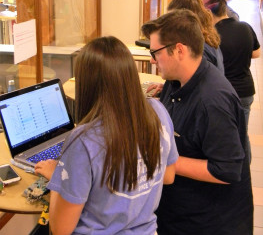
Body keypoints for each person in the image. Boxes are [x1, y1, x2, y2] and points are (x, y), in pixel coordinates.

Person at [35, 36, 178, 235]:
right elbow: (168, 176)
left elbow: (60, 229)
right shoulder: (158, 112)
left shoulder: (83, 140)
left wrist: (59, 178)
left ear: (86, 84)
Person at [141, 10, 253, 235]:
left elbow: (227, 170)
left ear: (179, 50)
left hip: (209, 222)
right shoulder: (178, 82)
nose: (152, 60)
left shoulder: (212, 101)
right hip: (182, 213)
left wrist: (164, 160)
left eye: (155, 52)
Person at [204, 0, 261, 160]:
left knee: (224, 136)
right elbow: (256, 53)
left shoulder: (211, 36)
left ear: (208, 12)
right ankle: (245, 174)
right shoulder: (244, 26)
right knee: (242, 136)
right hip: (245, 91)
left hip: (223, 93)